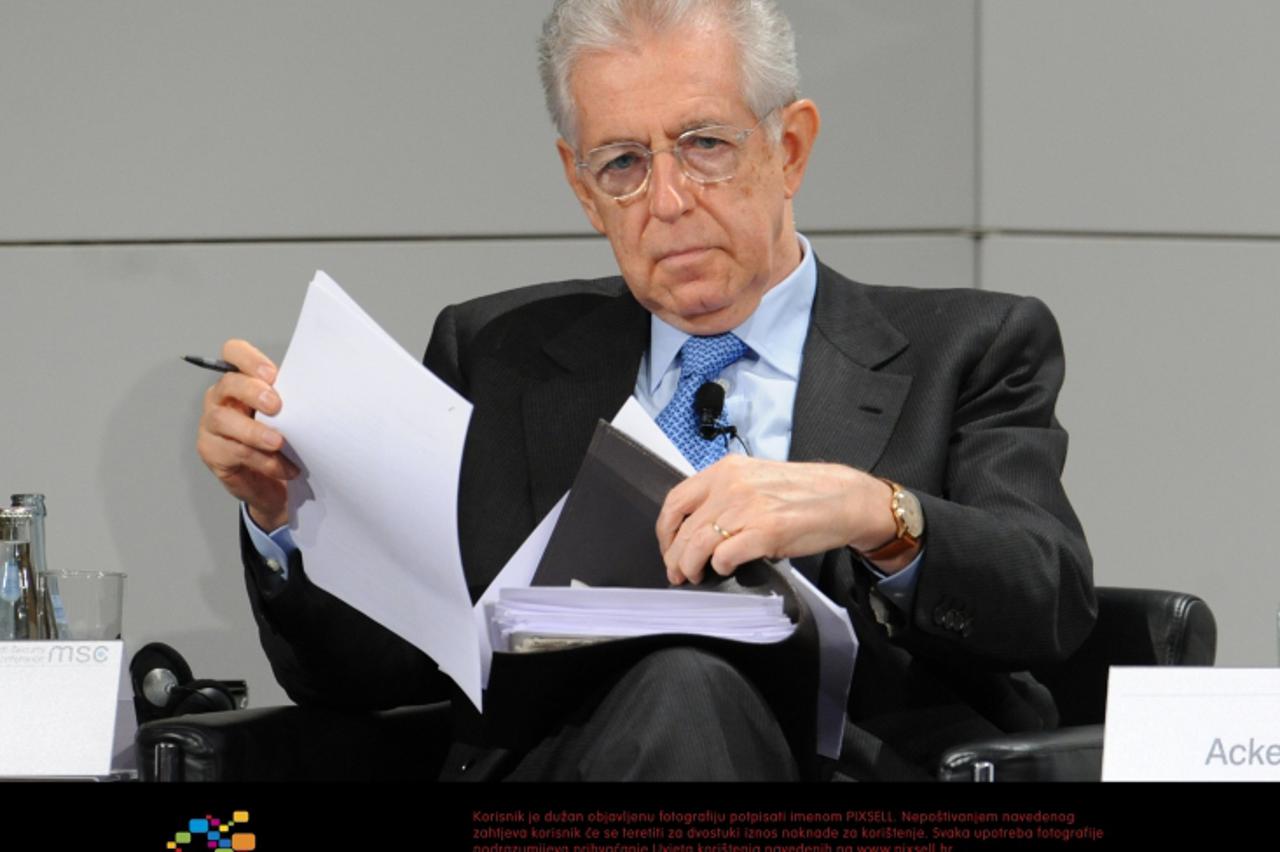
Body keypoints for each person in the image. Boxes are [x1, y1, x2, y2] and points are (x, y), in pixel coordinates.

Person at [196, 0, 1095, 781]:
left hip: (841, 776)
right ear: (581, 189)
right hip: (562, 775)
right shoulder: (495, 355)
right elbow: (368, 676)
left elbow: (1048, 601)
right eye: (622, 163)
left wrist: (875, 514)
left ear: (789, 148)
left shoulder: (969, 347)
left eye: (704, 145)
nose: (666, 200)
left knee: (689, 685)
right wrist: (287, 516)